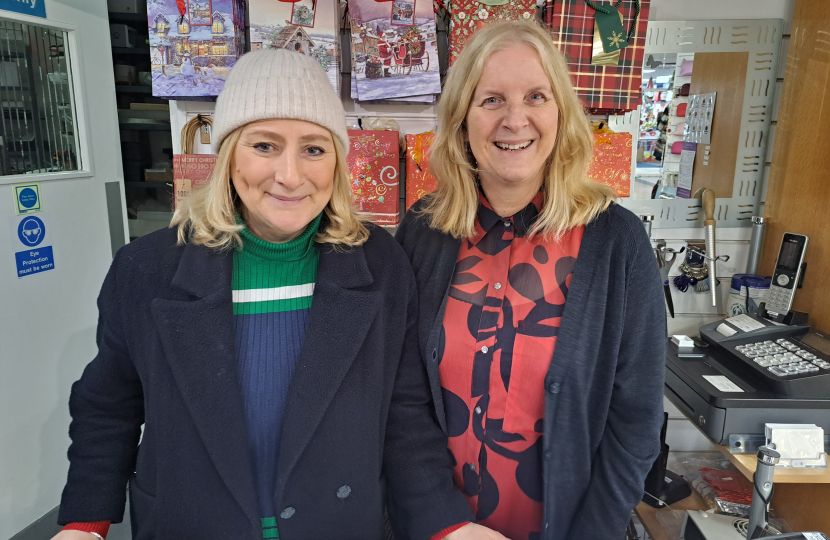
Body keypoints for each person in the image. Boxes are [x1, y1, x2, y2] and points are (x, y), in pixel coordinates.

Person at [53, 49, 502, 540]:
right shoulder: (146, 270)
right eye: (264, 146)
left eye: (313, 149)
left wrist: (446, 524)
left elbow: (404, 412)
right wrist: (84, 523)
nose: (290, 175)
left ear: (337, 161)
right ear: (227, 156)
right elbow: (108, 404)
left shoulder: (381, 264)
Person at [395, 21, 666, 540]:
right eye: (491, 99)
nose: (514, 120)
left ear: (560, 113)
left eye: (535, 96)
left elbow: (635, 426)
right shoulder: (422, 231)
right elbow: (403, 402)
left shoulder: (617, 243)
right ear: (462, 119)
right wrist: (442, 524)